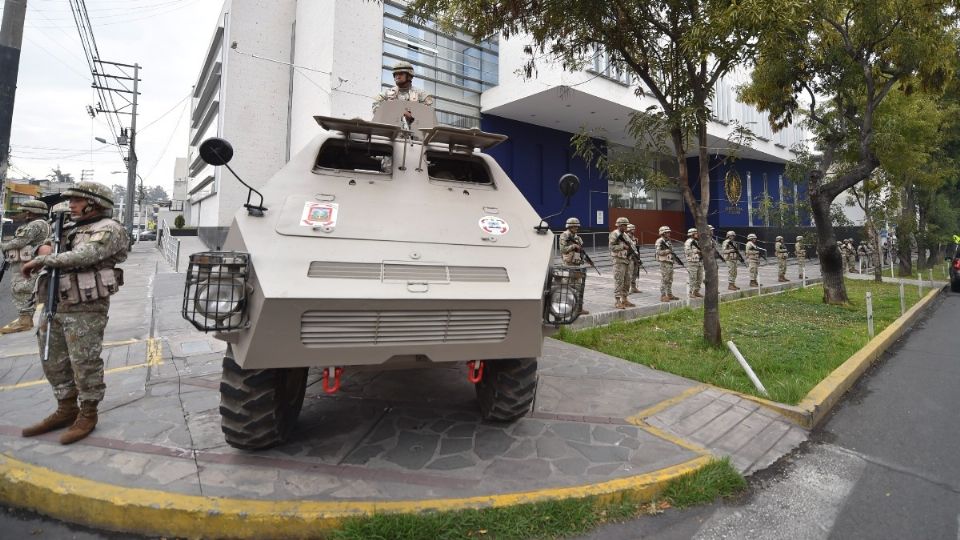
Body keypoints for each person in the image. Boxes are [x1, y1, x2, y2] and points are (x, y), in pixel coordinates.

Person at [19, 182, 129, 445]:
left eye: (77, 200)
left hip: (86, 308)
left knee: (84, 362)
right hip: (55, 304)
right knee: (53, 360)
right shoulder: (68, 227)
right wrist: (42, 251)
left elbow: (84, 256)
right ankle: (66, 408)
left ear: (94, 203)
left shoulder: (110, 229)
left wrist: (43, 260)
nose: (71, 205)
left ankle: (88, 413)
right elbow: (44, 246)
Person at [1, 200, 50, 335]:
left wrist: (4, 245)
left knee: (21, 289)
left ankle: (24, 321)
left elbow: (20, 241)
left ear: (33, 212)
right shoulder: (41, 224)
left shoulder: (36, 224)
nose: (25, 213)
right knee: (24, 289)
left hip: (26, 263)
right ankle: (24, 319)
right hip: (27, 261)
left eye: (27, 210)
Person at [372, 61, 434, 126]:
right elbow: (376, 108)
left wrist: (412, 115)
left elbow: (428, 115)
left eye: (401, 74)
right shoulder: (386, 93)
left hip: (414, 132)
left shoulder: (422, 95)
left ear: (409, 76)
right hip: (390, 131)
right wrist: (398, 112)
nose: (397, 77)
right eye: (395, 74)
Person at [558, 217, 589, 315]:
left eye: (577, 226)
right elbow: (563, 249)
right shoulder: (564, 235)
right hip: (568, 265)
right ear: (569, 226)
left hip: (577, 265)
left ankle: (579, 307)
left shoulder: (578, 238)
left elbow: (581, 250)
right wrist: (573, 246)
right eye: (574, 226)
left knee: (579, 287)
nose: (576, 228)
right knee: (566, 287)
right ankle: (565, 308)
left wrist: (584, 258)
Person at [609, 217, 634, 309]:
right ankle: (617, 301)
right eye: (624, 225)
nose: (626, 227)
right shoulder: (614, 234)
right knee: (619, 280)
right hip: (618, 260)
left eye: (626, 225)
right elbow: (611, 247)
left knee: (627, 280)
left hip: (627, 260)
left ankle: (625, 299)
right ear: (619, 225)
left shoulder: (626, 235)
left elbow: (631, 244)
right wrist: (622, 246)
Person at [654, 226, 679, 302]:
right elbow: (658, 252)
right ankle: (663, 295)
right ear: (663, 233)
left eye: (669, 232)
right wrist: (666, 251)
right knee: (665, 279)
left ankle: (669, 294)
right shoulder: (660, 241)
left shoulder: (668, 241)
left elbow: (671, 251)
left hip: (669, 262)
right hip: (664, 262)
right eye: (667, 232)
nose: (669, 233)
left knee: (670, 279)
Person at [684, 227, 703, 298]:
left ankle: (696, 291)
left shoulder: (697, 241)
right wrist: (697, 251)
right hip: (692, 262)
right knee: (693, 278)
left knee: (700, 278)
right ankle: (690, 292)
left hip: (699, 262)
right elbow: (687, 252)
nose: (697, 234)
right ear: (692, 234)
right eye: (696, 233)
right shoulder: (688, 242)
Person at [626, 224, 641, 294]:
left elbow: (637, 249)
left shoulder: (634, 238)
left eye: (634, 229)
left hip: (635, 257)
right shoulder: (626, 237)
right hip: (630, 258)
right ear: (628, 229)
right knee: (629, 273)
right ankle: (627, 288)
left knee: (635, 273)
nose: (634, 230)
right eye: (632, 229)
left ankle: (633, 287)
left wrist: (638, 258)